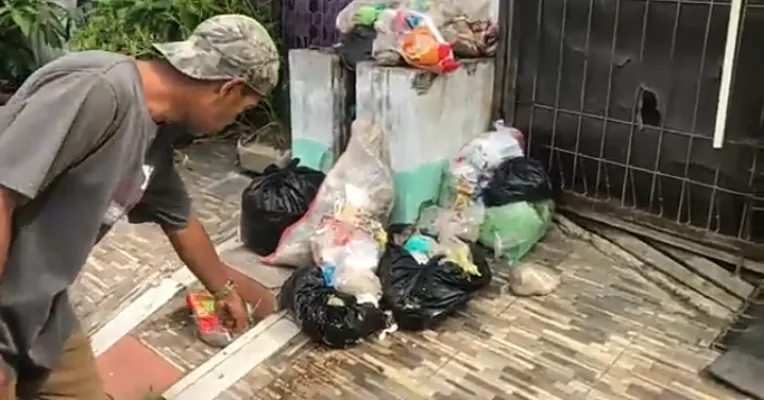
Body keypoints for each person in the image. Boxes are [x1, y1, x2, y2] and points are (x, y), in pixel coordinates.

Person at [0, 14, 280, 399]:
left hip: (39, 312)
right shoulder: (99, 90)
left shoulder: (154, 139)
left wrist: (227, 290)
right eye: (242, 109)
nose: (232, 121)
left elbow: (181, 221)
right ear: (229, 88)